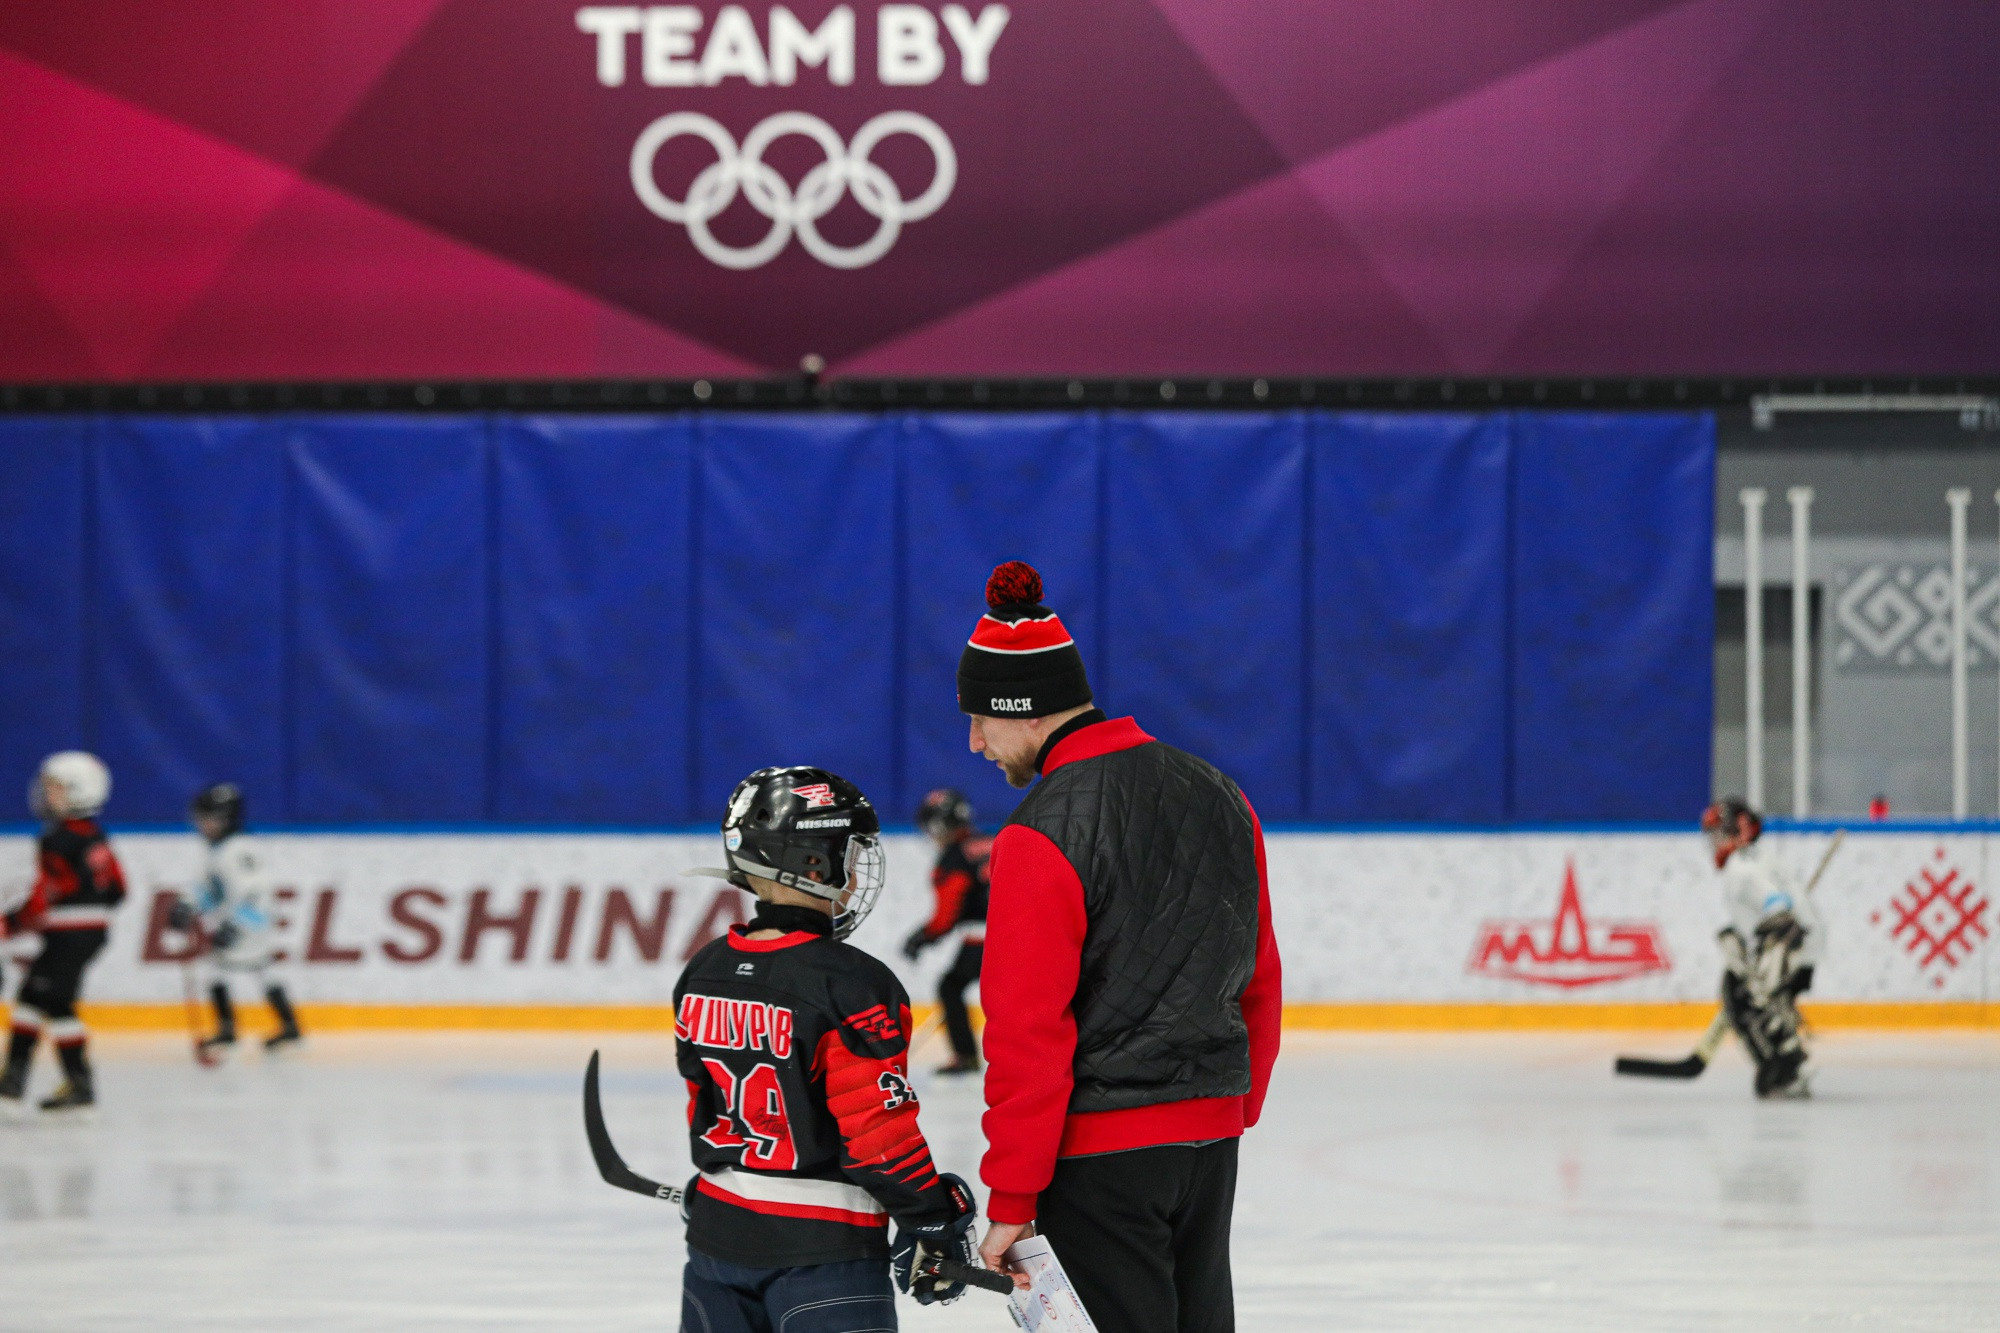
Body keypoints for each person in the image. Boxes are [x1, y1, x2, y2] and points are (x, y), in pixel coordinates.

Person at [956, 561, 1283, 1333]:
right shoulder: (1222, 793)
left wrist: (1012, 1194)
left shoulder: (1038, 831)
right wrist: (1229, 1107)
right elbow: (1258, 974)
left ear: (1024, 709)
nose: (974, 742)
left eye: (979, 719)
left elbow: (1026, 1030)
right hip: (1209, 1140)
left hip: (1099, 1154)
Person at [676, 765, 982, 1332]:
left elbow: (704, 1105)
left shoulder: (704, 968)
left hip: (715, 1243)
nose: (856, 872)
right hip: (823, 1256)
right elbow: (877, 1135)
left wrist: (713, 1185)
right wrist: (931, 1219)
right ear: (813, 862)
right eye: (849, 852)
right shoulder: (851, 982)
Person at [0, 752, 127, 1114]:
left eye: (55, 788)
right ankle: (19, 1079)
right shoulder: (96, 836)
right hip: (90, 932)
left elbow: (47, 894)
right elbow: (118, 889)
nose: (46, 795)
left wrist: (11, 923)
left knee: (51, 1000)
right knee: (36, 996)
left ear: (79, 792)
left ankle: (66, 1081)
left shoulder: (56, 839)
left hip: (67, 933)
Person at [166, 784, 303, 1055]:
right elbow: (211, 889)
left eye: (208, 818)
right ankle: (288, 1025)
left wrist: (235, 926)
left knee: (219, 970)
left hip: (251, 923)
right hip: (246, 922)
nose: (201, 824)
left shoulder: (238, 850)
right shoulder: (219, 848)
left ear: (225, 819)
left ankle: (228, 1030)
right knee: (260, 970)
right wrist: (187, 905)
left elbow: (255, 893)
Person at [1702, 797, 1821, 1098]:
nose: (1714, 843)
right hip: (1799, 940)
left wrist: (1766, 960)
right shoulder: (1754, 859)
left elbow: (1777, 907)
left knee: (1745, 994)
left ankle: (1787, 1066)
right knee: (1738, 987)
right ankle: (1784, 1060)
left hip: (1788, 939)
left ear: (1738, 831)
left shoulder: (1741, 868)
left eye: (1719, 834)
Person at [900, 788, 991, 1076]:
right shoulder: (994, 841)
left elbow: (947, 914)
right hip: (1030, 933)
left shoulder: (954, 858)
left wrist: (922, 938)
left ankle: (965, 1056)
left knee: (950, 987)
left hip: (986, 938)